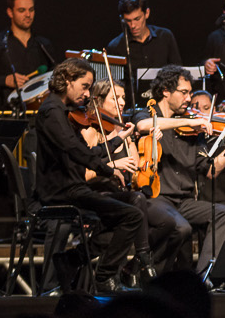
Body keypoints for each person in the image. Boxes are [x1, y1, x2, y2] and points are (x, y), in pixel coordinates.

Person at [32, 57, 151, 291]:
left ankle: (72, 260)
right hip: (63, 192)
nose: (88, 94)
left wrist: (119, 139)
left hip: (74, 189)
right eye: (85, 86)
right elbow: (74, 149)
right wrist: (108, 169)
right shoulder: (51, 111)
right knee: (132, 216)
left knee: (135, 205)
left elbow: (89, 152)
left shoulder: (62, 111)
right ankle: (104, 276)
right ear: (67, 80)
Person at [138, 64, 225, 273]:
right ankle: (147, 269)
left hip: (183, 201)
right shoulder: (148, 113)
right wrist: (186, 122)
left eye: (190, 93)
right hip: (155, 198)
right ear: (165, 91)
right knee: (181, 227)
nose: (189, 98)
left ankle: (203, 276)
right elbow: (142, 126)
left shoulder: (192, 130)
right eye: (184, 92)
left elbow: (211, 171)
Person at [79, 79, 191, 274]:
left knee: (170, 223)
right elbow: (84, 175)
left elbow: (137, 173)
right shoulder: (92, 131)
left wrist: (151, 145)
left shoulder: (125, 131)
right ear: (99, 101)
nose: (122, 102)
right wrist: (112, 165)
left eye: (123, 98)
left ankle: (136, 266)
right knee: (137, 209)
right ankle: (141, 266)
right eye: (115, 98)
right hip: (98, 196)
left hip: (126, 196)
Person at [0, 0, 60, 105]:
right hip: (10, 112)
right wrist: (5, 80)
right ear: (10, 12)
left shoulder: (43, 44)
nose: (28, 15)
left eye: (31, 10)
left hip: (41, 112)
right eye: (21, 10)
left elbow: (55, 75)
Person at [108, 0, 184, 105]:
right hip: (133, 108)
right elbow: (114, 85)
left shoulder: (165, 37)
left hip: (165, 105)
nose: (133, 26)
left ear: (147, 13)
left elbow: (178, 71)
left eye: (137, 19)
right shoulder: (116, 46)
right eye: (128, 21)